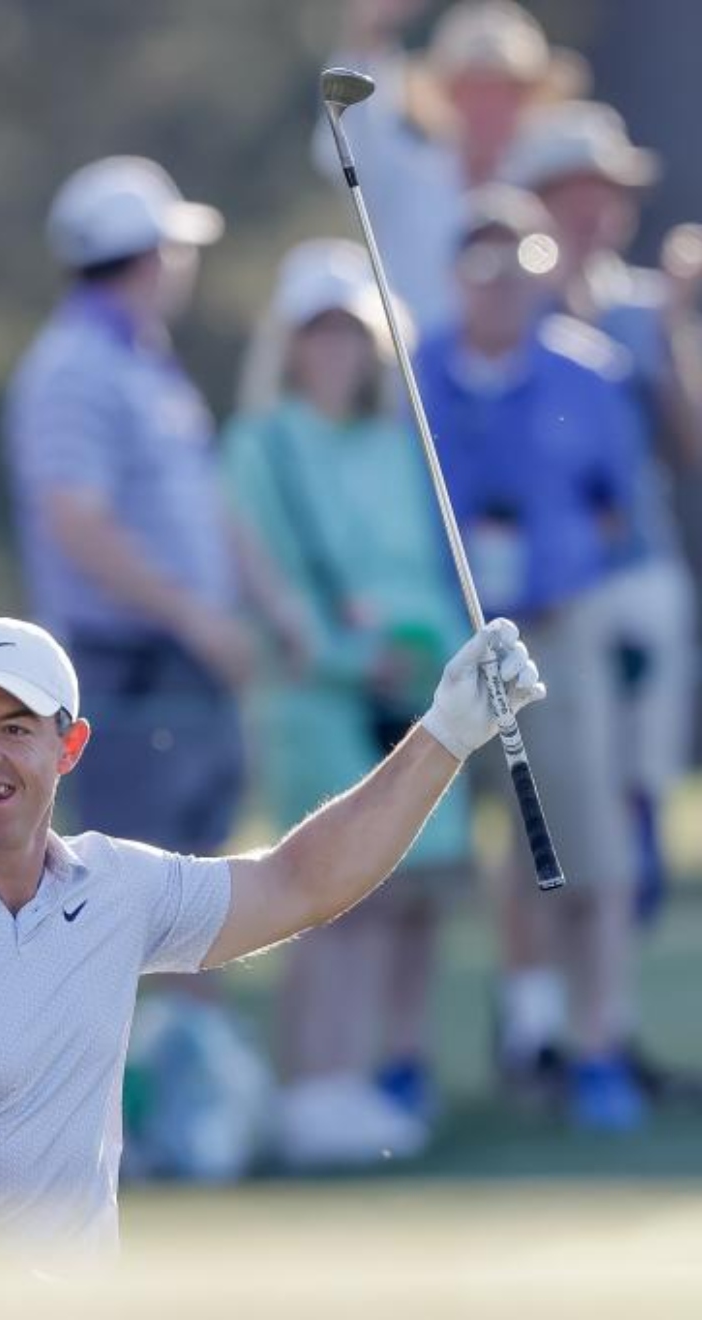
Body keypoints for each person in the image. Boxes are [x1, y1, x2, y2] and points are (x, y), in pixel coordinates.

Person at [0, 613, 544, 1268]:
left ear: (69, 747)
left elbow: (299, 883)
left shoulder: (115, 887)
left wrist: (445, 733)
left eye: (15, 729)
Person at [222, 239, 473, 1162]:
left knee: (415, 892)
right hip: (318, 701)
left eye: (349, 330)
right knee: (332, 892)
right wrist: (341, 652)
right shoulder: (259, 443)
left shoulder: (399, 444)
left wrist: (428, 657)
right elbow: (266, 579)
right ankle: (319, 1087)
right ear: (288, 343)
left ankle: (392, 1071)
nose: (333, 348)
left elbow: (428, 575)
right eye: (316, 330)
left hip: (417, 695)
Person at [412, 186, 653, 1129]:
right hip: (437, 636)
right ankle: (414, 1058)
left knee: (584, 853)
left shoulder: (587, 374)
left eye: (520, 264)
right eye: (481, 263)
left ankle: (596, 1047)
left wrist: (558, 559)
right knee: (427, 858)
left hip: (554, 631)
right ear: (454, 274)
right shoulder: (419, 371)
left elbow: (617, 506)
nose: (502, 283)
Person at [7, 155, 303, 859]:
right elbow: (77, 524)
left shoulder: (143, 360)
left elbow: (205, 506)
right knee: (140, 888)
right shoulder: (74, 365)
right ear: (148, 258)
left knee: (204, 882)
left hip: (184, 656)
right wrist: (199, 621)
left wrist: (268, 604)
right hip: (131, 664)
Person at [503, 101, 702, 930]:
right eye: (574, 191)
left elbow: (689, 444)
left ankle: (601, 1018)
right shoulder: (512, 306)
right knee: (545, 807)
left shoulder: (647, 306)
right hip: (547, 587)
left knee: (632, 788)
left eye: (604, 192)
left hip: (643, 573)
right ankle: (536, 1017)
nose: (593, 210)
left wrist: (679, 328)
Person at [315, 0, 582, 333]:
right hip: (411, 378)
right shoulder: (403, 178)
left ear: (523, 102)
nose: (488, 105)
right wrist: (371, 28)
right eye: (475, 90)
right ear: (450, 98)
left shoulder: (551, 188)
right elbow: (349, 132)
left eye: (502, 91)